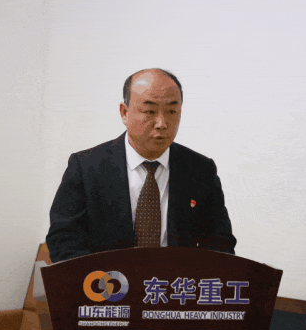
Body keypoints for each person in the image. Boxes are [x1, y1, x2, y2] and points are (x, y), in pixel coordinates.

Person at [46, 68, 236, 262]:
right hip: (105, 278)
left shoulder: (201, 170)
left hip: (176, 279)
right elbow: (64, 239)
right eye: (149, 111)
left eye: (172, 111)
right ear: (124, 113)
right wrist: (100, 277)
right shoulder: (86, 167)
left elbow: (220, 243)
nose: (162, 123)